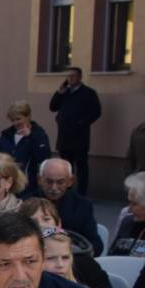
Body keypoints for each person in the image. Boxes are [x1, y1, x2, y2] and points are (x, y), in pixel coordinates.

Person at [16, 197, 117, 288]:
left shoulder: (83, 262)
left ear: (58, 223)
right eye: (33, 222)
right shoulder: (17, 266)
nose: (41, 225)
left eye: (46, 219)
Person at [49, 67, 102, 195]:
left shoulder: (88, 93)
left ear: (80, 77)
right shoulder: (65, 93)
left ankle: (82, 193)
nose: (70, 79)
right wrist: (58, 93)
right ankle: (66, 192)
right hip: (64, 136)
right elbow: (52, 107)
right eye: (68, 76)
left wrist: (82, 122)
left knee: (81, 167)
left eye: (73, 76)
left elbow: (96, 112)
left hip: (80, 137)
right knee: (66, 168)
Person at [33, 157, 102, 254]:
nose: (54, 187)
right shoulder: (27, 203)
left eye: (60, 182)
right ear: (39, 180)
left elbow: (96, 245)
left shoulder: (83, 205)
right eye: (49, 182)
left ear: (70, 181)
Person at [0, 101, 52, 190]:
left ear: (28, 117)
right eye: (12, 120)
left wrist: (31, 137)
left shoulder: (38, 134)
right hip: (6, 183)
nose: (15, 123)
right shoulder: (6, 135)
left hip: (27, 186)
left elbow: (44, 157)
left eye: (18, 119)